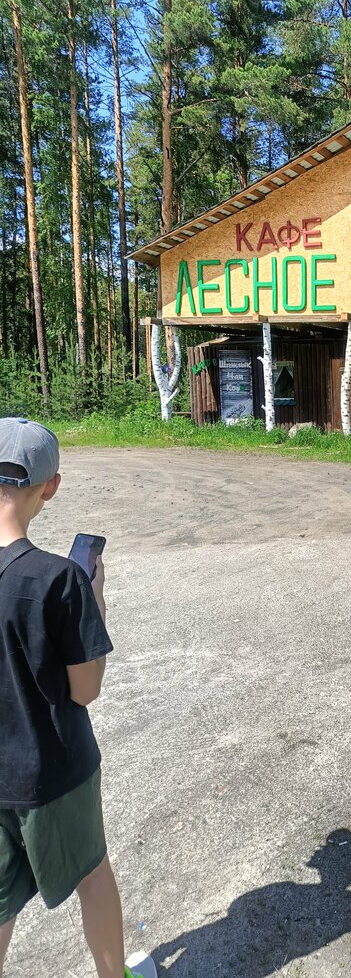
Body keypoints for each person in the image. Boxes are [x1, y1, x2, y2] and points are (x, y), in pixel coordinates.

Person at [0, 418, 155, 978]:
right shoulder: (60, 580)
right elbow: (85, 688)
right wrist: (96, 600)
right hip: (52, 771)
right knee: (92, 873)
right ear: (51, 486)